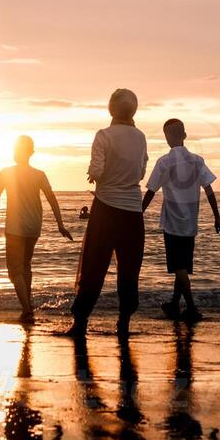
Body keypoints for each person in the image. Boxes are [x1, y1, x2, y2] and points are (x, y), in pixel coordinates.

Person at [60, 88, 148, 339]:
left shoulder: (104, 135)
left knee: (94, 266)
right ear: (134, 110)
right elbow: (141, 172)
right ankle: (124, 323)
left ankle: (80, 324)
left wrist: (94, 172)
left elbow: (96, 170)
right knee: (129, 269)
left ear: (111, 110)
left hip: (107, 208)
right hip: (132, 211)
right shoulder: (140, 137)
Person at [141, 119, 220, 320]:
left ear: (167, 138)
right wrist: (217, 218)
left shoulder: (164, 162)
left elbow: (151, 191)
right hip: (190, 224)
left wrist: (138, 215)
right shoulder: (197, 161)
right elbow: (209, 190)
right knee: (183, 266)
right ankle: (173, 304)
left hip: (172, 223)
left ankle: (192, 308)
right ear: (184, 135)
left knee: (179, 268)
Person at [0, 135, 73, 323]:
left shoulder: (6, 173)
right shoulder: (39, 174)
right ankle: (29, 305)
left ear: (15, 152)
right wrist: (60, 223)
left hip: (14, 227)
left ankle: (27, 310)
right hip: (34, 226)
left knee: (14, 271)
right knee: (25, 266)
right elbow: (52, 198)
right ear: (31, 153)